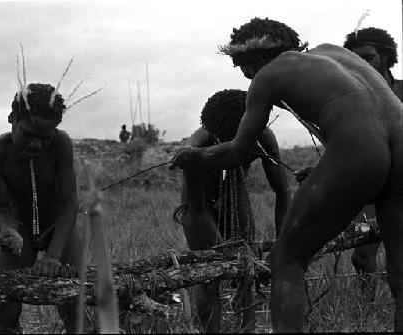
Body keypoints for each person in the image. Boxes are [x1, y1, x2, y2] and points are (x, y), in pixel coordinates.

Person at [170, 17, 403, 332]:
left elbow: (238, 151)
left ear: (254, 58)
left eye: (243, 66)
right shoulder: (335, 53)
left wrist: (196, 157)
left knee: (285, 261)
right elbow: (363, 122)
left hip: (360, 149)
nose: (246, 75)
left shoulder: (267, 75)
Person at [176, 89, 291, 332]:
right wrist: (222, 253)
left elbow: (282, 192)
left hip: (234, 192)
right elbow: (196, 209)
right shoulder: (195, 149)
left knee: (247, 265)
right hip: (199, 203)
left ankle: (248, 329)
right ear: (216, 135)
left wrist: (283, 242)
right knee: (210, 274)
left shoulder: (262, 137)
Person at [0, 83, 83, 333]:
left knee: (73, 303)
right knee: (5, 304)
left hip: (58, 227)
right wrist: (8, 230)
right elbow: (2, 209)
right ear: (12, 119)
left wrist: (54, 256)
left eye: (44, 138)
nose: (36, 145)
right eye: (29, 134)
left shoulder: (61, 145)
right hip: (21, 230)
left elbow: (70, 203)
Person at [343, 27, 403, 280]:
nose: (360, 65)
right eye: (354, 60)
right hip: (370, 187)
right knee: (362, 255)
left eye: (367, 57)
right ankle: (366, 310)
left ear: (387, 57)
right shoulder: (350, 103)